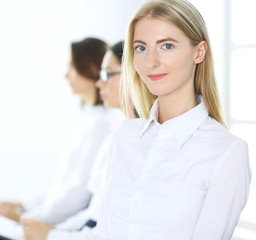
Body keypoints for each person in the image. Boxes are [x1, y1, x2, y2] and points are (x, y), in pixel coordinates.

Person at [94, 0, 252, 239]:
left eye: (166, 46)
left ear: (199, 52)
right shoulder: (125, 136)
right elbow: (104, 231)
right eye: (141, 48)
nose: (150, 62)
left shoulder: (227, 153)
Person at [0, 37, 120, 240]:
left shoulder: (102, 126)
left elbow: (77, 198)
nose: (66, 75)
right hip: (60, 223)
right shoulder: (89, 120)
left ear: (89, 69)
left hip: (61, 223)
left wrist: (27, 219)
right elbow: (62, 187)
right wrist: (23, 207)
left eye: (72, 68)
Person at [22, 41, 127, 240]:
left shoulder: (105, 127)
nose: (99, 82)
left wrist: (40, 226)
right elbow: (89, 211)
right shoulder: (110, 126)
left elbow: (79, 199)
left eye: (106, 74)